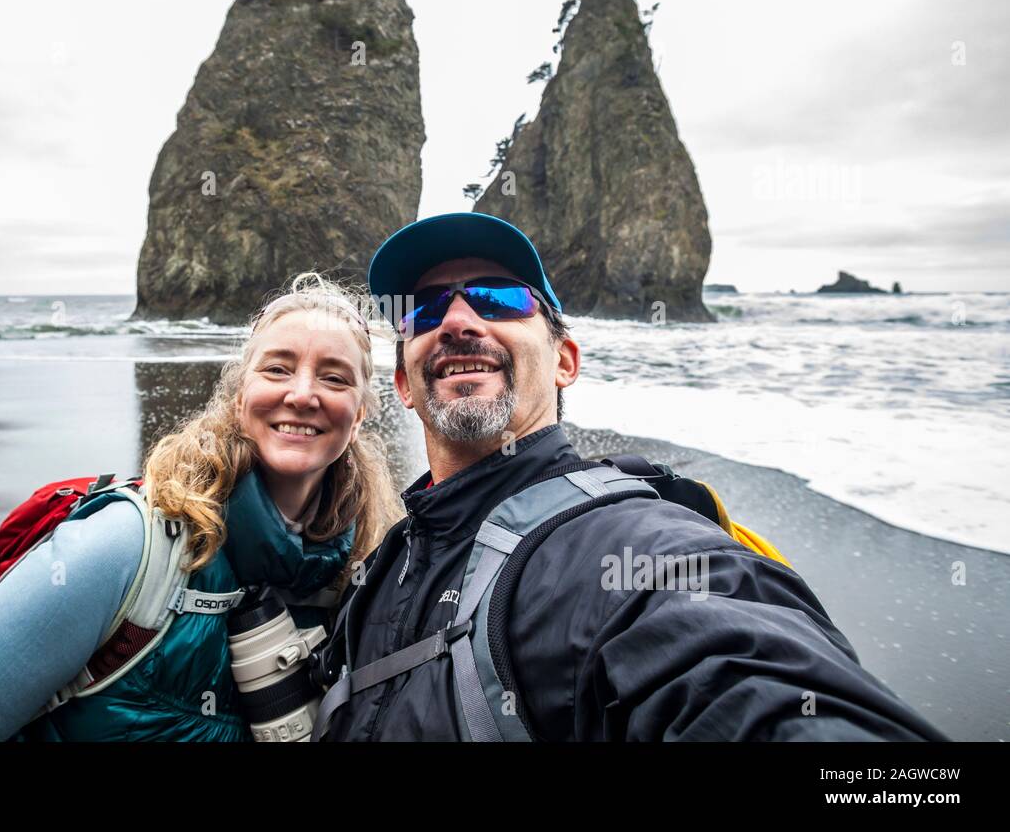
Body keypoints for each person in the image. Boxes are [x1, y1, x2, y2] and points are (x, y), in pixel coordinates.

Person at [312, 212, 948, 741]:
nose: (456, 321)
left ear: (564, 361)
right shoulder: (385, 561)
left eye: (497, 298)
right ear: (403, 384)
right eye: (423, 312)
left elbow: (739, 673)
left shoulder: (631, 547)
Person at [0, 272, 400, 741]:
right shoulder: (126, 547)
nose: (303, 394)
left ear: (357, 417)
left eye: (334, 377)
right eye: (277, 369)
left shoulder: (363, 568)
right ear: (240, 397)